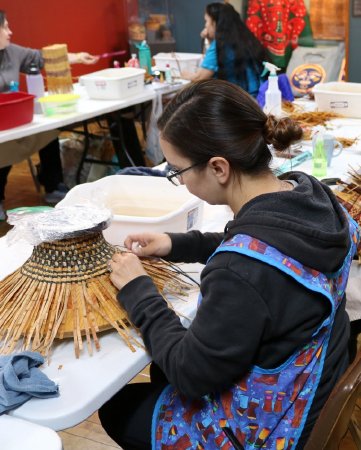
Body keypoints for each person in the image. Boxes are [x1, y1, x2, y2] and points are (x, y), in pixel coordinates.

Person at [98, 79, 359, 449]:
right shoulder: (312, 197)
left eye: (177, 171)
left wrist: (138, 290)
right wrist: (176, 243)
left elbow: (191, 375)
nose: (179, 180)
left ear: (219, 167)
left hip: (278, 423)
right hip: (315, 378)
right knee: (161, 368)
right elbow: (269, 250)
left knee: (118, 406)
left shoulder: (239, 273)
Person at [0, 10, 98, 220]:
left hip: (15, 120)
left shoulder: (12, 52)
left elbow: (43, 58)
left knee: (47, 131)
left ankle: (53, 185)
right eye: (5, 27)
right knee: (4, 147)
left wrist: (78, 57)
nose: (10, 31)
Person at [181, 3, 268, 97]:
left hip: (239, 100)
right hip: (258, 96)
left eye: (206, 21)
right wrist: (210, 40)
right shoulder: (245, 39)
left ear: (215, 23)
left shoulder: (219, 45)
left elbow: (199, 78)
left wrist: (183, 74)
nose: (206, 25)